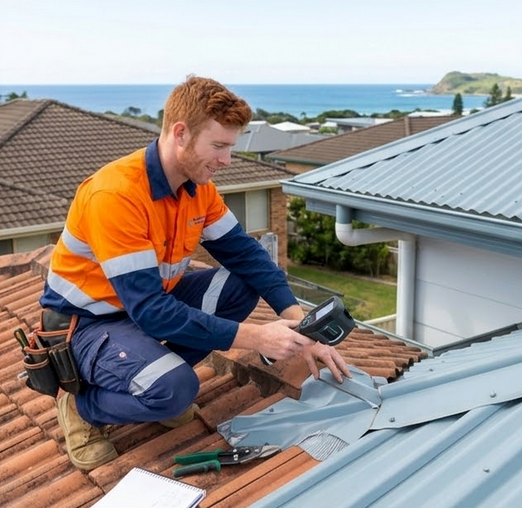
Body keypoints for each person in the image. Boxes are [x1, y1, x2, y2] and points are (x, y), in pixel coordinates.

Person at [39, 75, 350, 471]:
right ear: (181, 134)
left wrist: (297, 321)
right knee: (177, 391)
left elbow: (247, 256)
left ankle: (149, 373)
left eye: (230, 147)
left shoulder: (196, 186)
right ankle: (83, 406)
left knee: (242, 285)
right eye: (218, 146)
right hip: (85, 324)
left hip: (140, 308)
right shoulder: (115, 196)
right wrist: (256, 337)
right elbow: (151, 311)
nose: (226, 160)